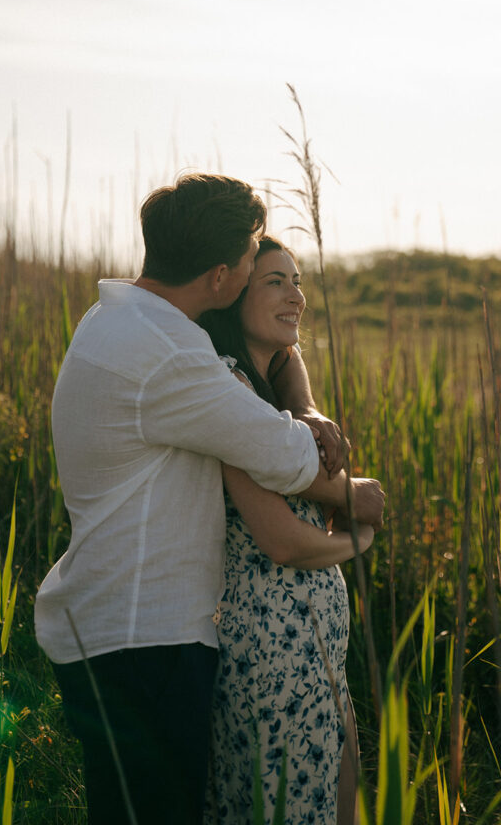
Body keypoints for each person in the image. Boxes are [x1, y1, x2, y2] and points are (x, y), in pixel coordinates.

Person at [34, 173, 386, 825]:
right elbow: (280, 456)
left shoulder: (121, 318)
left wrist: (303, 405)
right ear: (222, 276)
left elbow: (276, 366)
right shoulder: (170, 355)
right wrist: (354, 502)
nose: (267, 267)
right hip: (143, 644)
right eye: (257, 256)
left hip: (114, 625)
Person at [200, 237, 373, 825]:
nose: (296, 296)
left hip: (313, 645)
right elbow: (279, 540)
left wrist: (311, 411)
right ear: (233, 292)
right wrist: (360, 539)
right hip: (270, 652)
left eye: (297, 281)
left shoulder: (279, 394)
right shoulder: (228, 390)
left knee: (334, 801)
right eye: (275, 281)